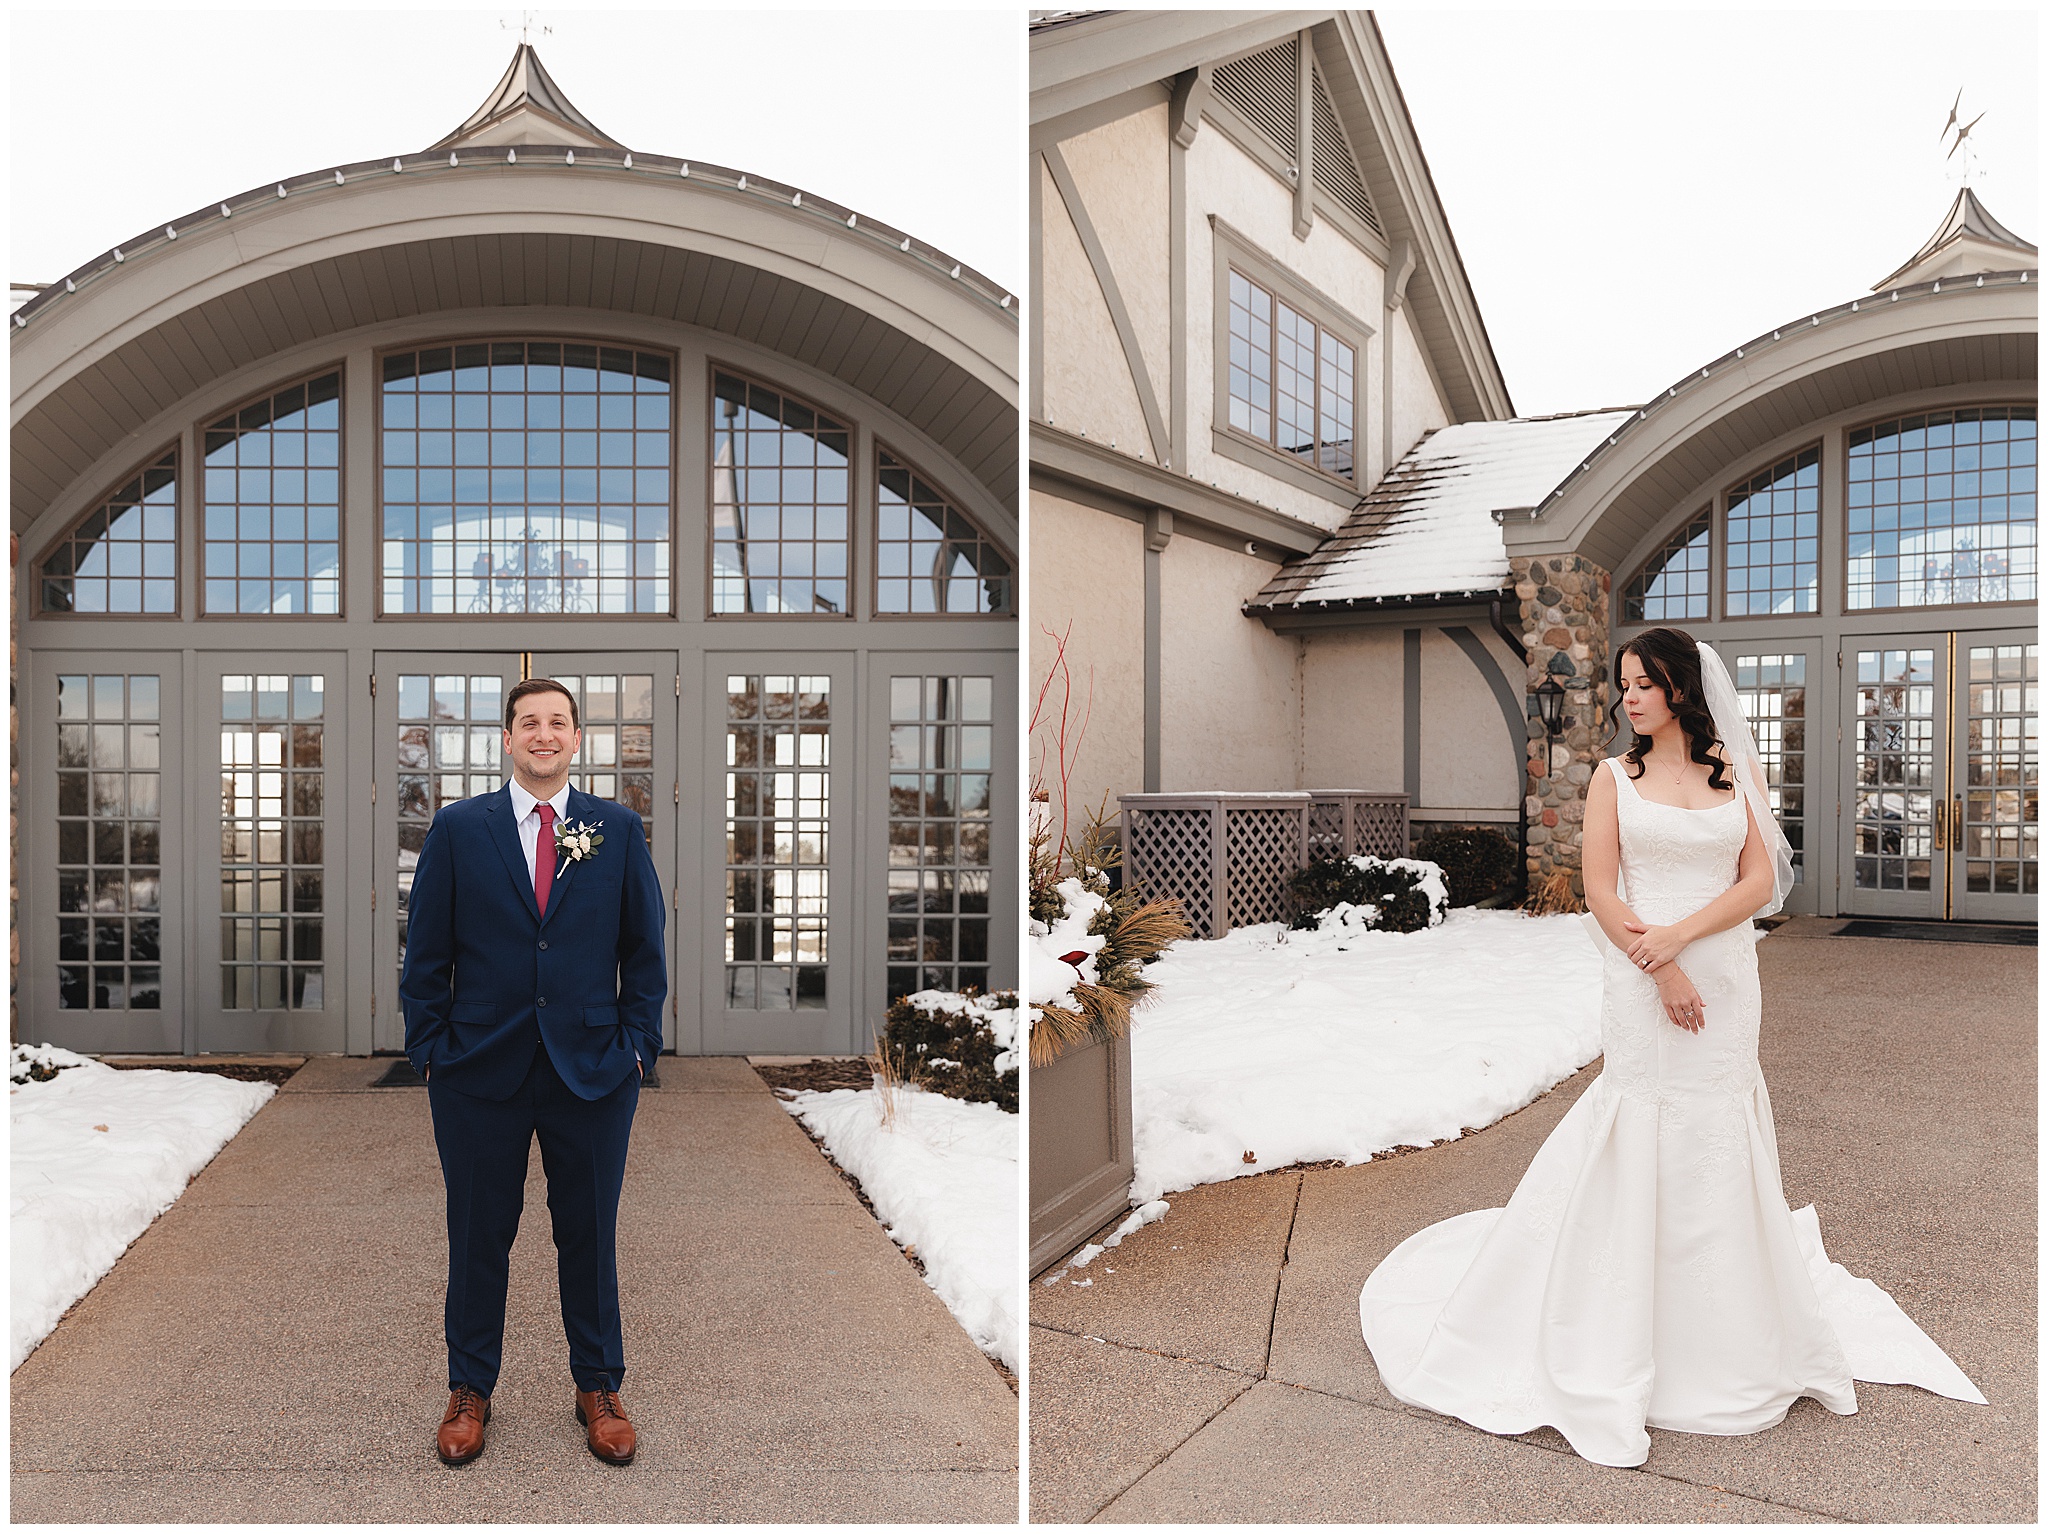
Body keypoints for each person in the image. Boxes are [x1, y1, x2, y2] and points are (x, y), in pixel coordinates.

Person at [1358, 626, 1985, 1469]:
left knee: (1719, 1122)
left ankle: (1728, 1322)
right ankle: (1620, 1316)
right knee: (1645, 1115)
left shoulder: (1734, 771)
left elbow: (1759, 882)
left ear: (1681, 688)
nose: (1630, 698)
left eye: (1644, 683)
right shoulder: (1614, 778)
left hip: (1724, 979)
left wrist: (1683, 940)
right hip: (1641, 976)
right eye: (1625, 685)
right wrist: (1660, 967)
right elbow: (1600, 890)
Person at [401, 676, 667, 1467]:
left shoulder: (616, 829)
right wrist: (430, 1052)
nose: (543, 734)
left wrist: (637, 1048)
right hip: (478, 1072)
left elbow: (644, 953)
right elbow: (427, 954)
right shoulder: (459, 829)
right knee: (477, 1236)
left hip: (593, 1070)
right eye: (529, 722)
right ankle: (469, 1388)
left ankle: (599, 1386)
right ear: (508, 739)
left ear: (576, 738)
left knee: (589, 1235)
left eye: (557, 722)